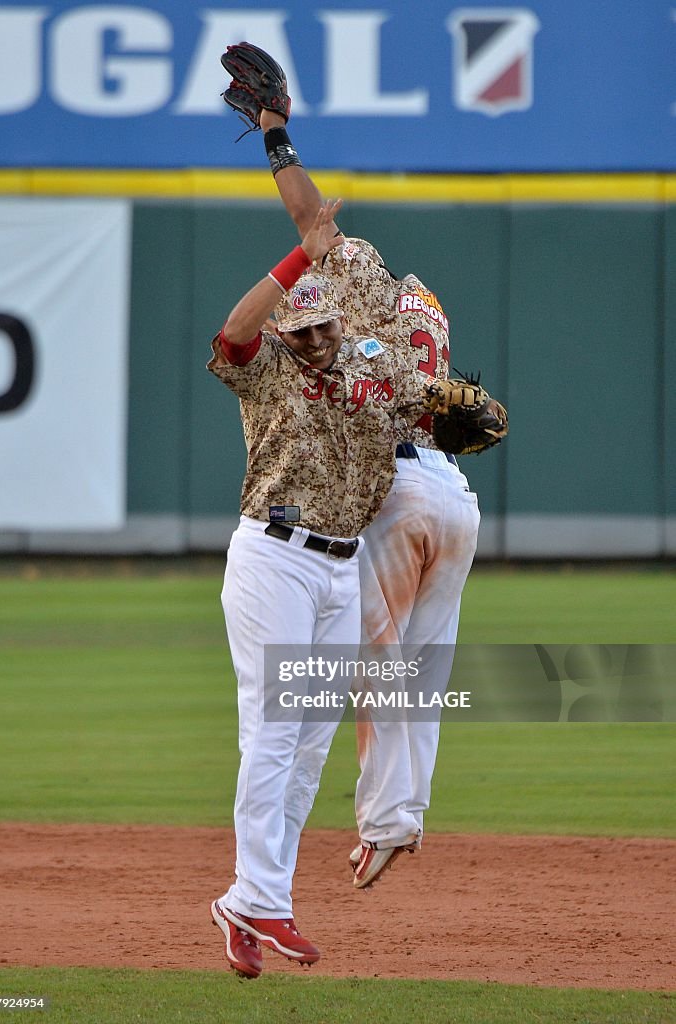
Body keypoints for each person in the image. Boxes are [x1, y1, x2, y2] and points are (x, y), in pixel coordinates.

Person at [208, 198, 441, 977]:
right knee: (274, 730)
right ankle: (266, 898)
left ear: (341, 324)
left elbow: (430, 405)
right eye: (300, 330)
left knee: (309, 745)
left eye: (324, 327)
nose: (314, 340)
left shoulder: (369, 366)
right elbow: (235, 333)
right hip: (274, 557)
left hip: (341, 567)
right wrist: (297, 262)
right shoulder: (265, 368)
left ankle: (249, 901)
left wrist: (459, 408)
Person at [256, 105, 482, 891]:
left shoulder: (354, 284)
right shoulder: (427, 309)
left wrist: (277, 139)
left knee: (377, 667)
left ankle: (387, 823)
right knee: (419, 672)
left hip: (396, 489)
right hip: (456, 496)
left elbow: (306, 216)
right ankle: (402, 816)